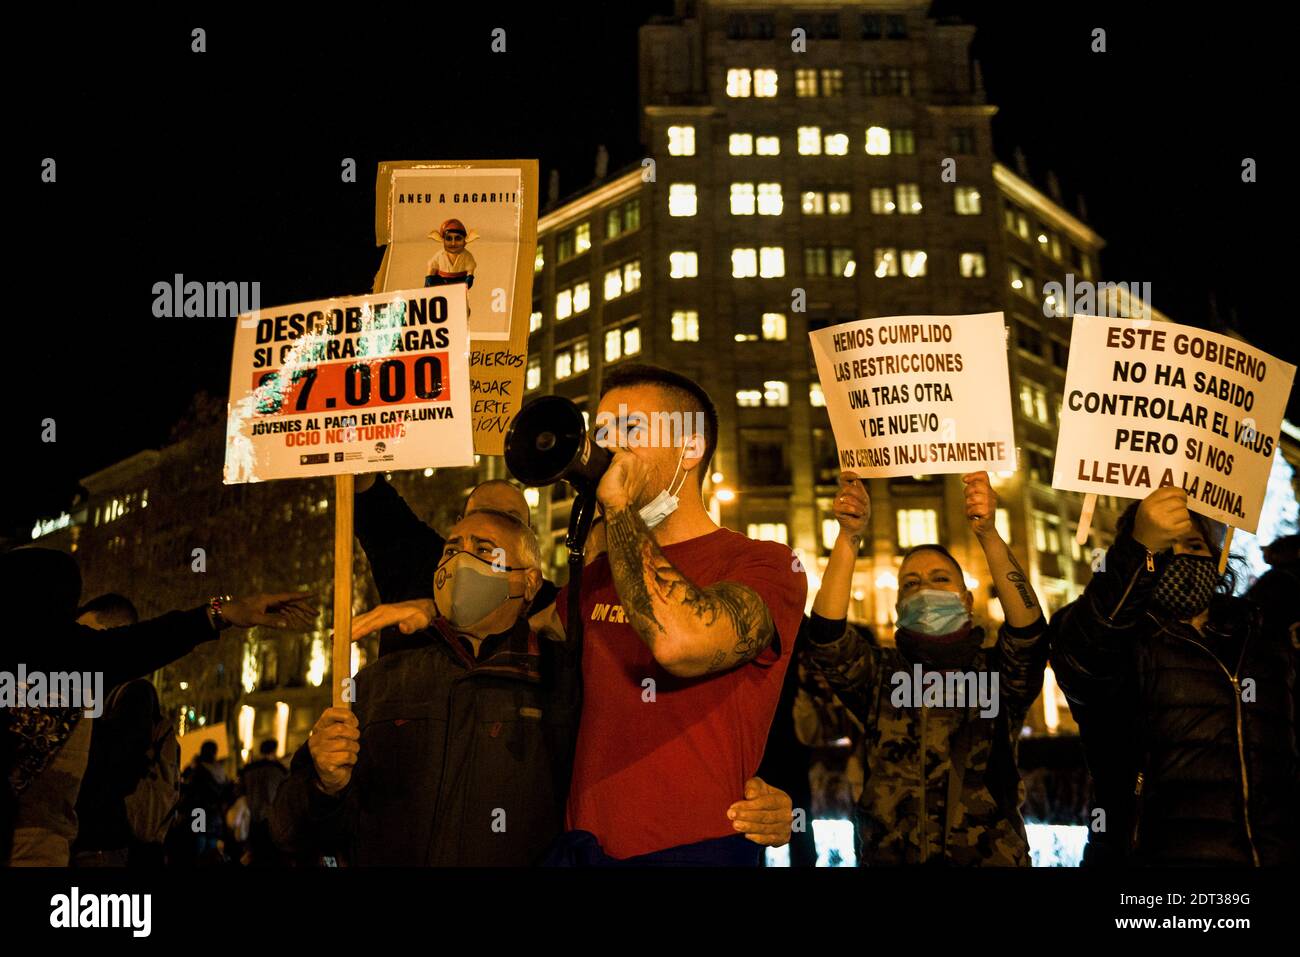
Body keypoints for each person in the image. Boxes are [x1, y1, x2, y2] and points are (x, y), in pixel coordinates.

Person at [271, 506, 792, 865]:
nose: (458, 560)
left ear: (527, 580)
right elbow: (292, 833)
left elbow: (660, 737)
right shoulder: (381, 683)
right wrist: (324, 786)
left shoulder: (569, 679)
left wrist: (765, 795)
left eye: (482, 549)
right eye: (451, 548)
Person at [535, 364, 808, 865]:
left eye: (630, 430)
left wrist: (618, 509)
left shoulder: (765, 563)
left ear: (690, 447)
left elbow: (679, 643)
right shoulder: (597, 575)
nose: (608, 446)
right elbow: (513, 646)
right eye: (601, 432)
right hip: (584, 849)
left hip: (693, 850)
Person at [1, 547, 314, 865]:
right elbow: (148, 642)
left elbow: (147, 641)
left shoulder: (80, 660)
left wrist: (222, 613)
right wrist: (222, 614)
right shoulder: (78, 658)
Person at [801, 471, 1050, 865]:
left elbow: (1030, 631)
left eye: (939, 579)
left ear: (967, 600)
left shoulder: (996, 675)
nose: (924, 589)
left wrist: (988, 535)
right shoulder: (880, 675)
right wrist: (849, 537)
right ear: (898, 605)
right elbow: (827, 637)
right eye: (910, 583)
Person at [1050, 486, 1298, 866]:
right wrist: (1138, 548)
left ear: (1217, 560)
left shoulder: (1261, 640)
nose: (1181, 555)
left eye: (1195, 546)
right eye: (1166, 548)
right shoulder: (1115, 642)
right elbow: (1087, 647)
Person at [353, 471, 555, 657]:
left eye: (510, 520)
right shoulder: (419, 560)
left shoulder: (550, 605)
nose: (491, 527)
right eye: (479, 515)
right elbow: (372, 497)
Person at [72, 593, 175, 868]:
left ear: (115, 636)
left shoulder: (134, 693)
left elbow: (119, 766)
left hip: (101, 844)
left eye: (90, 635)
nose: (81, 646)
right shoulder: (92, 690)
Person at [236, 739, 287, 866]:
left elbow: (238, 792)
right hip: (272, 821)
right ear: (274, 750)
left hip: (251, 820)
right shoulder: (279, 770)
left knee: (252, 857)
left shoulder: (247, 770)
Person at [424, 218, 476, 289]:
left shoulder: (467, 256)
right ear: (443, 240)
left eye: (458, 238)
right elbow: (431, 269)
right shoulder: (439, 256)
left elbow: (470, 272)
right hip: (441, 283)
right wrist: (429, 283)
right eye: (449, 238)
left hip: (459, 283)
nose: (453, 243)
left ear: (465, 240)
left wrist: (467, 282)